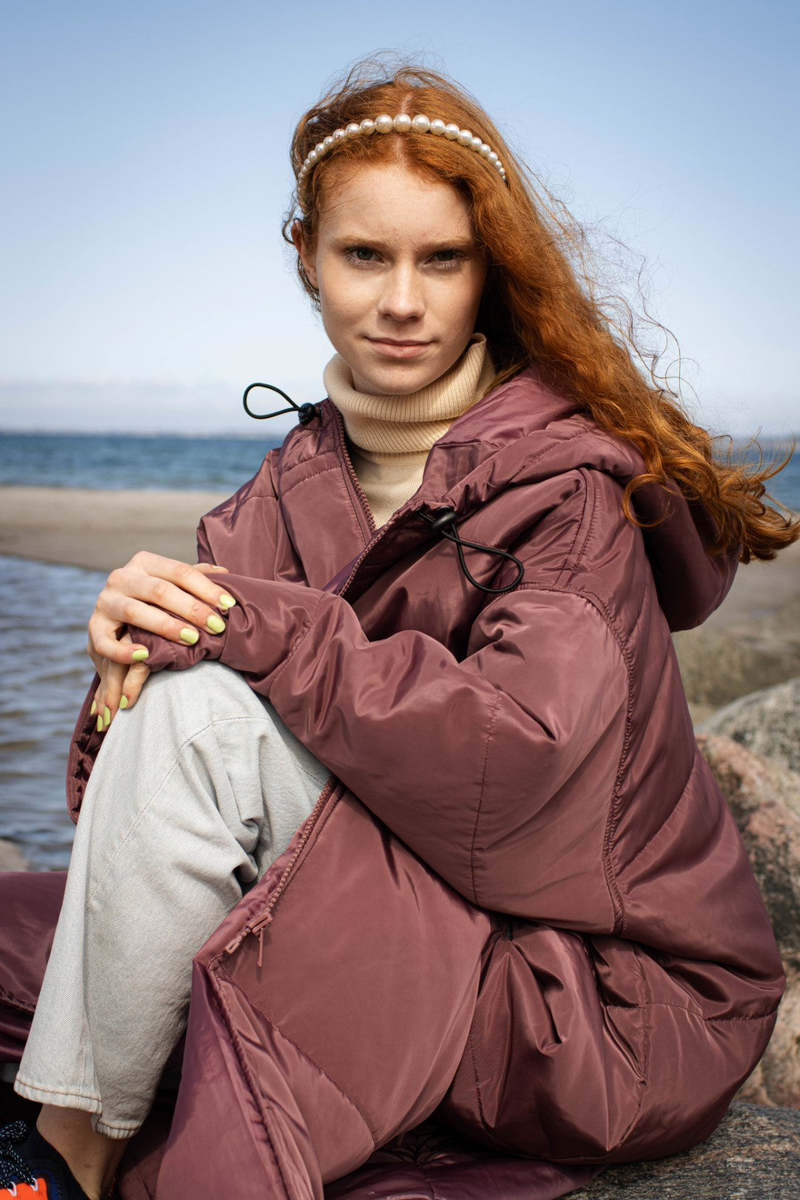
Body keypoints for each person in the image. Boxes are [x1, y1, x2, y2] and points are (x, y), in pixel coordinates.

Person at [0, 60, 796, 1200]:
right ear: (307, 258)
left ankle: (65, 1158)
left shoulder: (571, 495)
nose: (403, 301)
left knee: (200, 711)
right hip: (404, 910)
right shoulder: (274, 499)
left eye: (444, 259)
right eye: (365, 255)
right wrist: (123, 658)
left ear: (491, 270)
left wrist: (252, 635)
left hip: (597, 990)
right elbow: (150, 821)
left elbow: (514, 777)